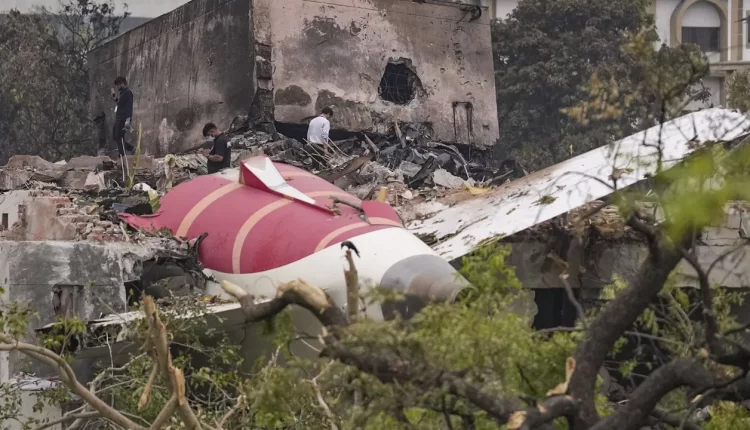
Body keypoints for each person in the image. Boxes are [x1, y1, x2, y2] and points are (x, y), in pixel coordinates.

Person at [112, 76, 135, 156]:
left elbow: (129, 106)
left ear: (122, 83)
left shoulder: (128, 92)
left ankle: (121, 155)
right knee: (115, 136)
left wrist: (128, 119)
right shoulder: (123, 93)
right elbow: (120, 104)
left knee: (119, 137)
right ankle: (131, 148)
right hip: (119, 118)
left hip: (123, 118)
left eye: (117, 85)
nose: (117, 87)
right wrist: (115, 98)